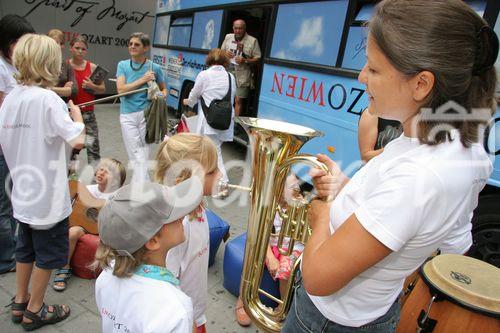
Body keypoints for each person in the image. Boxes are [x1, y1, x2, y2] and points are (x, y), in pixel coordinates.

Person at [282, 0, 497, 332]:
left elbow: (318, 277)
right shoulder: (461, 151)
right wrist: (344, 188)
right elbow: (451, 238)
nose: (361, 76)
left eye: (373, 68)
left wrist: (323, 211)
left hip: (326, 320)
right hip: (373, 312)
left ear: (421, 84)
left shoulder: (418, 176)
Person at [0, 34, 85, 330]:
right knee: (49, 255)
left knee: (25, 249)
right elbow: (78, 140)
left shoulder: (10, 98)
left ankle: (20, 300)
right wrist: (77, 117)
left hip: (21, 194)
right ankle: (35, 309)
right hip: (47, 199)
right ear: (48, 63)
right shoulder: (49, 100)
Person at [94, 179, 204, 333]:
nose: (182, 216)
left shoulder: (105, 276)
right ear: (153, 241)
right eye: (174, 216)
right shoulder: (175, 310)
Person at [154, 133, 222, 333]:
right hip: (181, 320)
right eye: (212, 171)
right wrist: (188, 322)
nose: (220, 174)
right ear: (185, 181)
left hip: (194, 311)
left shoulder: (196, 207)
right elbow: (166, 284)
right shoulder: (176, 226)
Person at [235, 173, 304, 327]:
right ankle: (244, 299)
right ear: (279, 191)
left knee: (286, 271)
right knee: (253, 255)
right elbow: (259, 234)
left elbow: (301, 240)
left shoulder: (300, 206)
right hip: (270, 245)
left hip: (291, 248)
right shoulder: (270, 207)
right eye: (293, 187)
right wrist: (271, 258)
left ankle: (282, 307)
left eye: (297, 185)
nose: (297, 189)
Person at [53, 158, 126, 292]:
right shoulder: (88, 189)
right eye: (101, 168)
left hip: (104, 229)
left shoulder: (116, 196)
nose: (102, 172)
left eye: (108, 171)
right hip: (85, 226)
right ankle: (64, 267)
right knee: (72, 232)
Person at [0, 14, 34, 276]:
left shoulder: (14, 67)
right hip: (5, 145)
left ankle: (11, 249)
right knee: (4, 203)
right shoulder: (1, 68)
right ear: (9, 42)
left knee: (11, 199)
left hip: (15, 145)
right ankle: (6, 258)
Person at [116, 32, 166, 181]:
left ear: (145, 48)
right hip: (127, 115)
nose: (132, 46)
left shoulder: (154, 68)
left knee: (142, 154)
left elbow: (164, 89)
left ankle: (140, 188)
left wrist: (162, 95)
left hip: (148, 114)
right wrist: (143, 79)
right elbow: (121, 90)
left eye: (136, 44)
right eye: (130, 44)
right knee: (136, 154)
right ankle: (145, 187)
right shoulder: (123, 65)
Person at [182, 48, 236, 182]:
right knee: (206, 148)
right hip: (225, 120)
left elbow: (194, 95)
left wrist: (187, 101)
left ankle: (223, 182)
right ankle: (200, 175)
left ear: (209, 60)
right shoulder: (231, 77)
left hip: (210, 120)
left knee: (214, 151)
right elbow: (232, 96)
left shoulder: (204, 75)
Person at [68, 35, 106, 167]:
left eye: (83, 49)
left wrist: (92, 86)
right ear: (71, 48)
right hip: (70, 115)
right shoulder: (65, 66)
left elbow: (102, 89)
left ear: (86, 51)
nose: (80, 51)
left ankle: (96, 182)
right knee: (71, 150)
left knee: (93, 148)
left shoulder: (92, 67)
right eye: (77, 48)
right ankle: (69, 180)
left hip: (88, 115)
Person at [221, 19, 261, 116]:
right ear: (233, 28)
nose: (238, 31)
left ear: (245, 28)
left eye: (240, 28)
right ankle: (224, 119)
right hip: (227, 73)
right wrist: (225, 54)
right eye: (236, 28)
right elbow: (220, 52)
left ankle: (234, 125)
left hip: (242, 75)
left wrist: (245, 60)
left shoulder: (253, 41)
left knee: (238, 100)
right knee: (225, 97)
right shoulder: (228, 37)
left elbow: (258, 59)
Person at [47, 29, 77, 100]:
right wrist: (63, 89)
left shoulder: (66, 64)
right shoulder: (39, 62)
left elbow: (74, 90)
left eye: (61, 43)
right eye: (55, 42)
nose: (59, 46)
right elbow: (36, 88)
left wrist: (51, 88)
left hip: (60, 104)